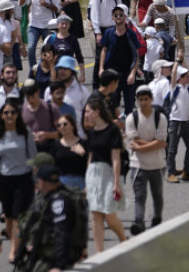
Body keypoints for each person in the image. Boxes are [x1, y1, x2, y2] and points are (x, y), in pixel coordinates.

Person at [0, 100, 34, 262]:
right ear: (1, 116)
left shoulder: (25, 132)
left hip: (23, 178)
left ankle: (13, 251)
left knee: (18, 215)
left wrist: (38, 177)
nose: (10, 115)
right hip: (4, 179)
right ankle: (17, 244)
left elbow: (33, 156)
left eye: (12, 112)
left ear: (17, 115)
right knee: (9, 217)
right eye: (6, 113)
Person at [16, 166, 82, 272]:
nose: (36, 183)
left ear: (42, 182)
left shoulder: (59, 202)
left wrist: (59, 266)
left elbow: (62, 233)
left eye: (37, 181)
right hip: (41, 254)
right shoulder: (45, 198)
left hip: (51, 259)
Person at [82, 96, 126, 254]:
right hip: (93, 175)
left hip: (108, 175)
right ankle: (100, 255)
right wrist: (87, 182)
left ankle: (123, 239)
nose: (85, 114)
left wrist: (116, 182)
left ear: (96, 112)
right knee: (95, 216)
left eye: (88, 111)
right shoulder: (92, 131)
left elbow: (115, 157)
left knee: (109, 215)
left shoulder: (112, 130)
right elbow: (90, 156)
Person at [126, 85, 168, 234]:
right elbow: (134, 140)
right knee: (139, 196)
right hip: (138, 164)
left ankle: (157, 218)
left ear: (151, 99)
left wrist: (141, 146)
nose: (143, 102)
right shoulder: (132, 118)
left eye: (146, 99)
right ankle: (139, 222)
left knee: (157, 194)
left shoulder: (159, 118)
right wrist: (154, 143)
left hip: (157, 164)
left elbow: (162, 142)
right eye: (140, 100)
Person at [99, 7, 141, 116]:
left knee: (129, 103)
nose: (118, 17)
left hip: (127, 72)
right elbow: (104, 50)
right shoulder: (108, 32)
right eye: (116, 15)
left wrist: (133, 73)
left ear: (125, 17)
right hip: (112, 72)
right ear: (113, 18)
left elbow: (136, 54)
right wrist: (101, 69)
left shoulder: (131, 33)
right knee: (112, 102)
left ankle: (129, 126)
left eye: (121, 15)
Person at [164, 62, 189, 183]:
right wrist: (177, 63)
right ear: (179, 78)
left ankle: (186, 172)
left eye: (187, 75)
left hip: (186, 122)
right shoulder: (175, 88)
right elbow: (173, 74)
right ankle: (170, 173)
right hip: (176, 122)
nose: (187, 77)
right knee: (173, 149)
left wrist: (187, 67)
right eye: (184, 76)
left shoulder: (188, 88)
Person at [23, 0, 59, 71]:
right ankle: (34, 71)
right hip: (34, 25)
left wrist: (47, 5)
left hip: (47, 26)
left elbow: (58, 8)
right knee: (31, 49)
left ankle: (49, 69)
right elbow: (21, 3)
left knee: (48, 50)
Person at [47, 113, 85, 191]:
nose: (62, 127)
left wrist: (83, 154)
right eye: (59, 125)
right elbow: (52, 166)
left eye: (65, 124)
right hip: (61, 182)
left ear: (73, 126)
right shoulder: (55, 145)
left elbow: (89, 164)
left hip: (81, 181)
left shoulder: (83, 143)